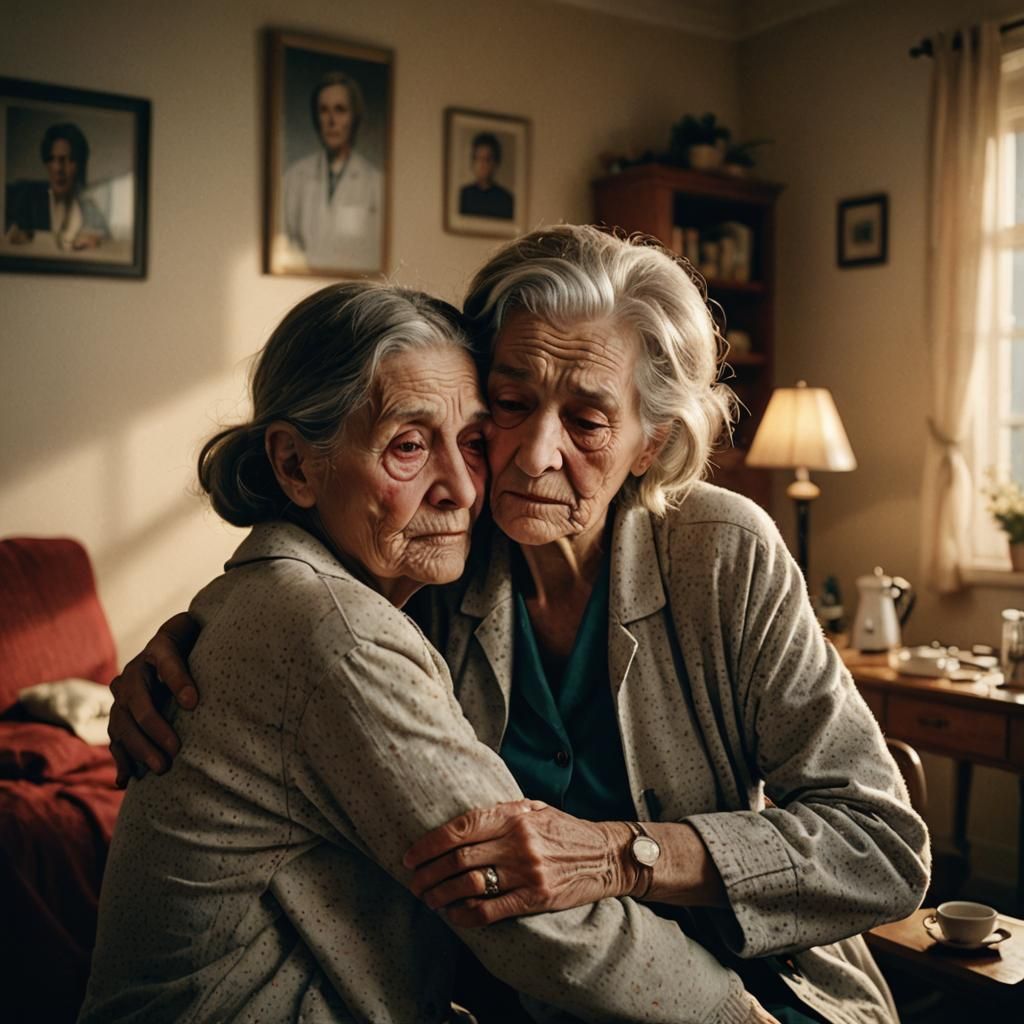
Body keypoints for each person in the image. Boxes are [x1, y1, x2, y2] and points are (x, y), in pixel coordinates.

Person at [109, 227, 930, 1024]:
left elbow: (884, 848)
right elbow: (311, 615)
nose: (533, 454)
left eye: (586, 421)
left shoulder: (722, 553)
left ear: (651, 444)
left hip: (774, 987)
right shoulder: (433, 560)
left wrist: (628, 854)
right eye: (509, 403)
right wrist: (196, 644)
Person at [282, 71, 383, 271]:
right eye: (323, 110)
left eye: (340, 110)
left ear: (354, 117)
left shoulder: (375, 182)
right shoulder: (294, 177)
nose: (331, 121)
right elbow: (287, 243)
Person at [5, 122, 110, 250]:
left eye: (68, 160)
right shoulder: (26, 197)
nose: (58, 168)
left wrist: (98, 242)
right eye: (52, 159)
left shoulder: (89, 207)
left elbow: (106, 241)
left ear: (80, 165)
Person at [458, 132, 514, 220]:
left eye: (487, 159)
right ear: (473, 162)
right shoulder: (463, 195)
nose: (483, 164)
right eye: (479, 158)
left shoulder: (506, 200)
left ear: (496, 163)